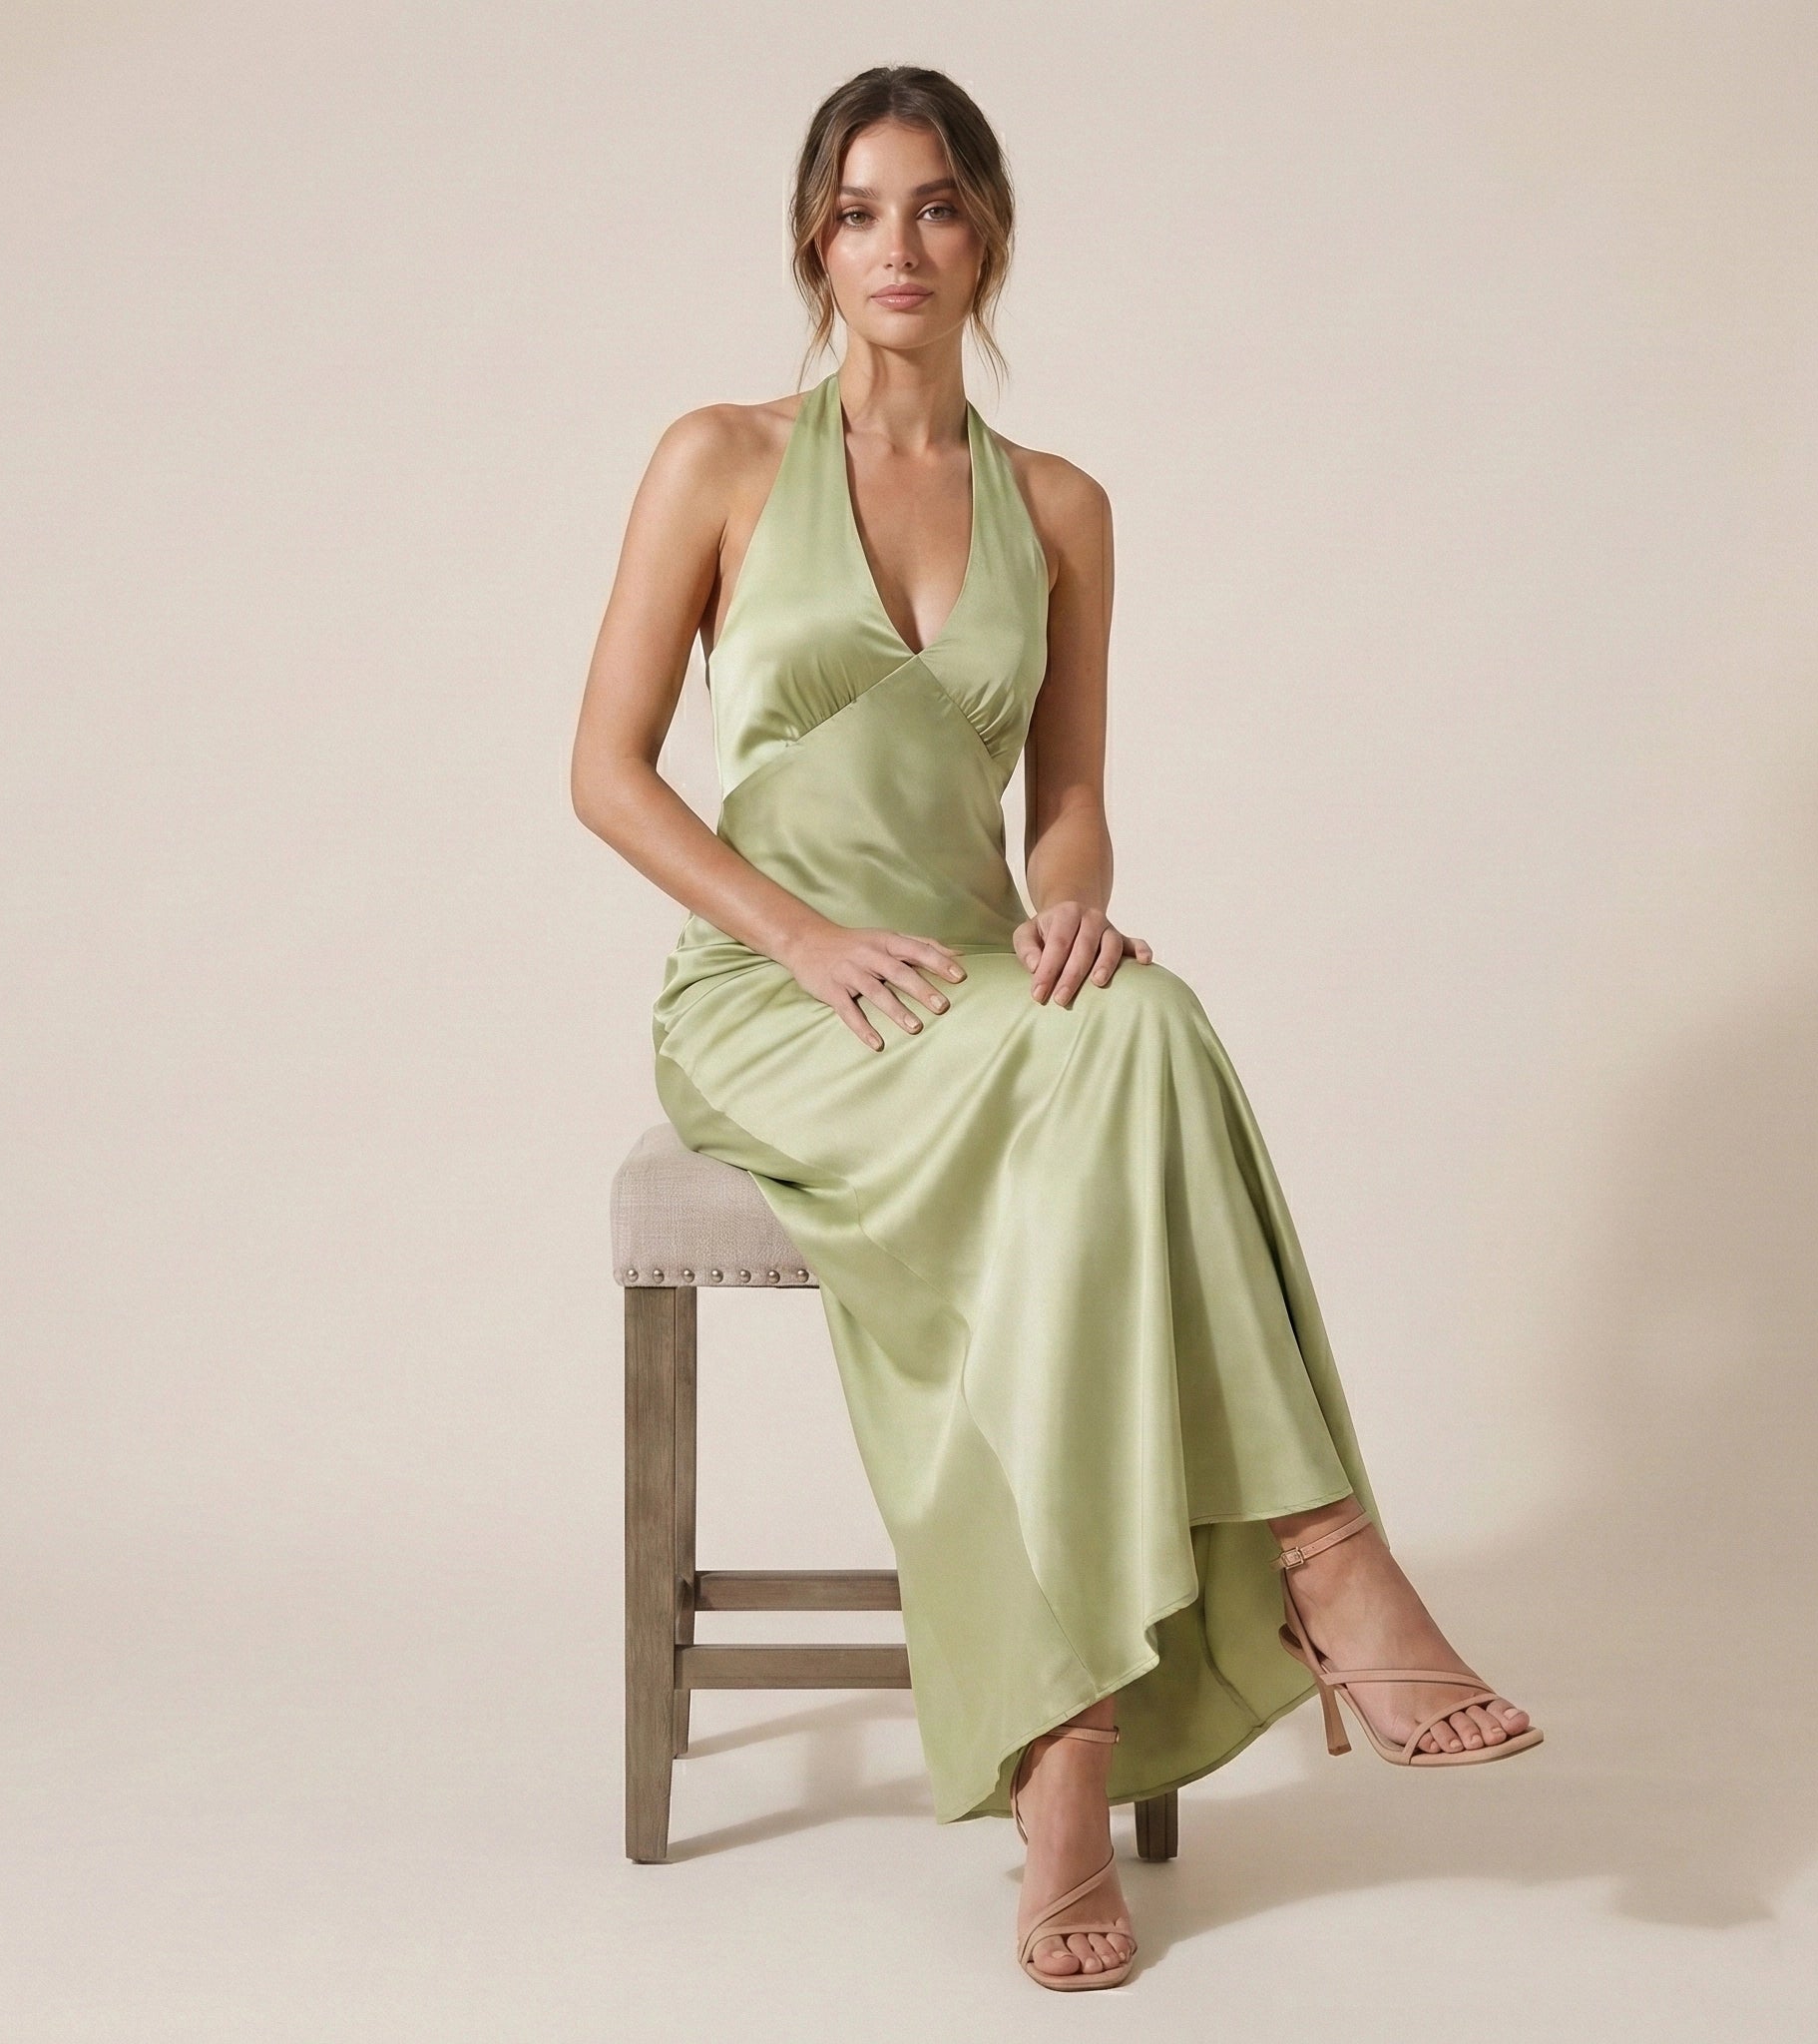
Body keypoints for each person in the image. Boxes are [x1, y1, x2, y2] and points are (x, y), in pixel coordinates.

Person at [571, 63, 1539, 1992]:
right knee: (1144, 1051)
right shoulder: (720, 460)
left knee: (1140, 1008)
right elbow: (605, 774)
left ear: (986, 233)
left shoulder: (1065, 506)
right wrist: (806, 938)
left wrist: (1072, 900)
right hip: (776, 1003)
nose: (896, 246)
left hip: (978, 988)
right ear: (812, 244)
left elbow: (1066, 800)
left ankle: (1076, 1762)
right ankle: (1322, 1561)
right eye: (858, 211)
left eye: (933, 207)